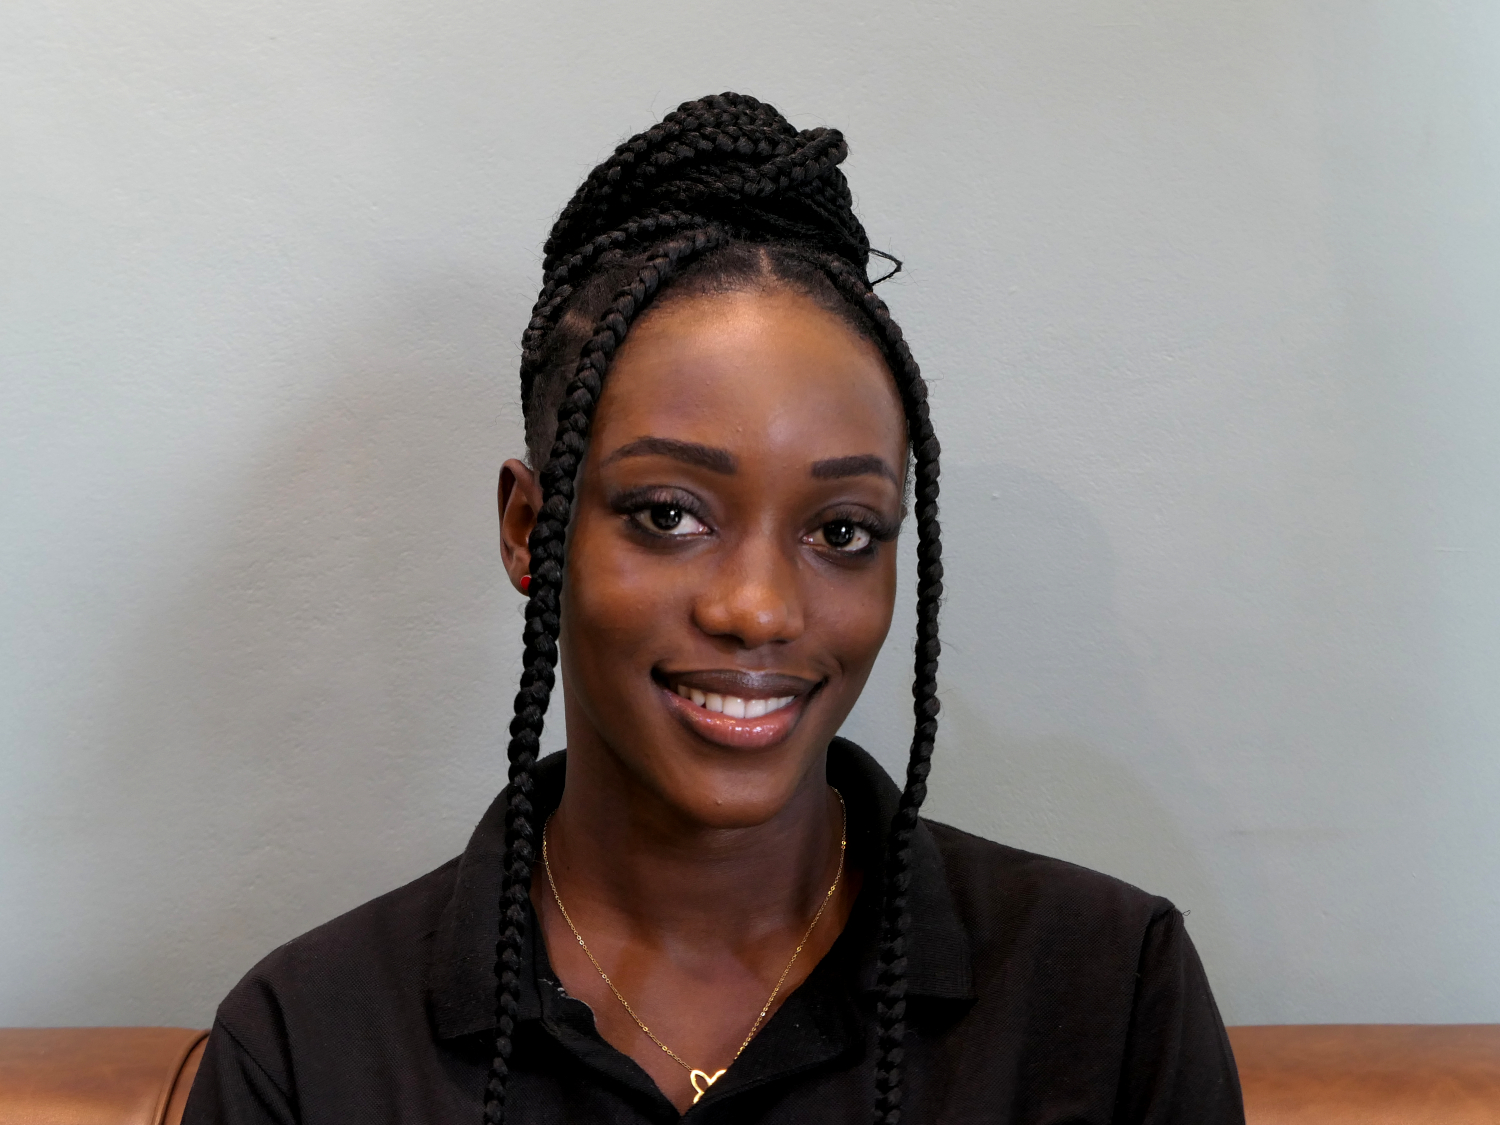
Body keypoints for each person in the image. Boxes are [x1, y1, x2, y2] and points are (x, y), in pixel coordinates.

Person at [183, 92, 1243, 1124]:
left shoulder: (1106, 998)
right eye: (668, 514)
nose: (759, 609)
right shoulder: (308, 1048)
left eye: (841, 532)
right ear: (527, 530)